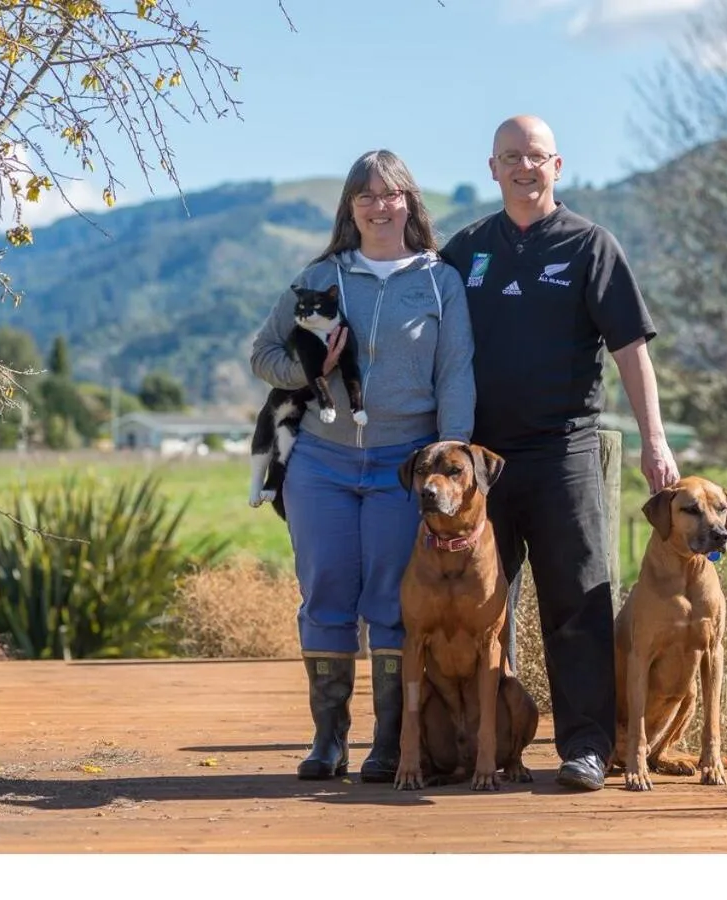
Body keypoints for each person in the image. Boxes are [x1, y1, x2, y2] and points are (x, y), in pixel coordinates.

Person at [440, 115, 679, 791]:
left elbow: (632, 350)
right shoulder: (466, 250)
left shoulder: (589, 246)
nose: (524, 167)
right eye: (510, 157)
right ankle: (490, 746)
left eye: (536, 157)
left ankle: (585, 747)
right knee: (483, 608)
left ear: (557, 166)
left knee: (577, 601)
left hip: (564, 450)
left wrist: (652, 440)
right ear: (492, 169)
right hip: (480, 463)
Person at [250, 150, 475, 783]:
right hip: (321, 461)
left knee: (390, 602)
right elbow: (263, 354)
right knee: (324, 595)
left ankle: (387, 743)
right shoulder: (322, 275)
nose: (380, 206)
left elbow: (455, 373)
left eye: (391, 194)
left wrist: (452, 462)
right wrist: (310, 371)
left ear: (410, 202)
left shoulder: (439, 281)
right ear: (350, 208)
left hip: (406, 469)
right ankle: (328, 740)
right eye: (366, 196)